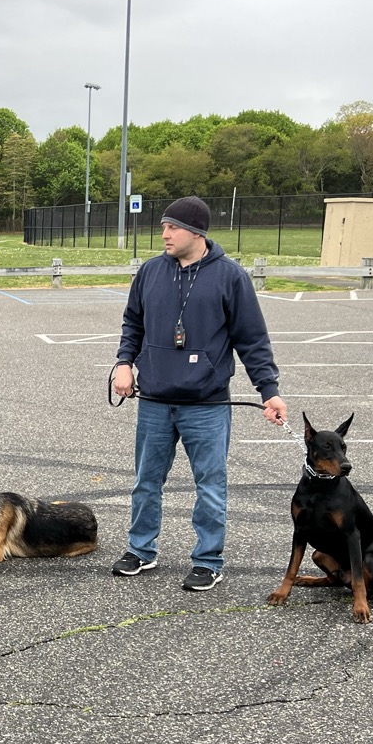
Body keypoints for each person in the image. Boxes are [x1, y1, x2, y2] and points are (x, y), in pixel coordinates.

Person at [110, 194, 287, 591]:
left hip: (206, 404)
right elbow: (132, 323)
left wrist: (269, 390)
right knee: (146, 481)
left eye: (172, 227)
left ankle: (208, 561)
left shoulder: (230, 277)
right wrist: (124, 363)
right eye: (163, 226)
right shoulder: (150, 271)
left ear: (196, 232)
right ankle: (141, 550)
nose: (165, 234)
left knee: (209, 485)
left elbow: (252, 339)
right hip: (155, 400)